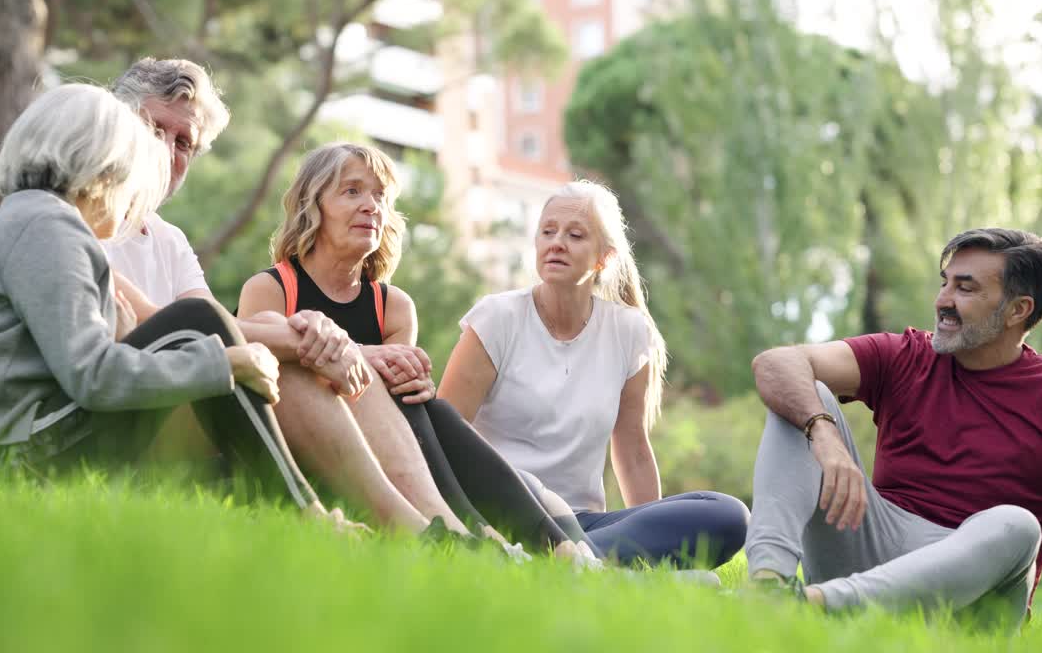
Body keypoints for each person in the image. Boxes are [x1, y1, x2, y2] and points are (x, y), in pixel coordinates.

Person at [105, 58, 526, 549]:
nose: (167, 152)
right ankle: (417, 531)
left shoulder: (169, 240)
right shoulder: (80, 222)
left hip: (187, 407)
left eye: (184, 143)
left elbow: (216, 327)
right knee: (307, 354)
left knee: (336, 366)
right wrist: (310, 339)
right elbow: (181, 326)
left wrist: (327, 347)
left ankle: (447, 534)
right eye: (156, 130)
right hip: (123, 421)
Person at [0, 84, 339, 525]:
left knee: (195, 330)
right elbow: (94, 377)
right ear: (103, 172)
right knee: (195, 323)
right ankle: (306, 511)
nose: (136, 203)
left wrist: (122, 330)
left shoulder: (32, 219)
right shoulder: (49, 228)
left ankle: (285, 504)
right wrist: (225, 364)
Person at [745, 228, 1042, 641]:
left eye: (965, 289)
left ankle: (817, 605)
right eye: (945, 283)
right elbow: (776, 364)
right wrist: (821, 432)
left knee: (1017, 524)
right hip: (875, 548)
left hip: (974, 604)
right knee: (807, 395)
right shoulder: (907, 356)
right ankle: (770, 588)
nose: (942, 300)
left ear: (1017, 310)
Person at [237, 142, 600, 562]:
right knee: (423, 404)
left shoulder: (393, 306)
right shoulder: (272, 288)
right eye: (352, 191)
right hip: (310, 456)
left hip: (389, 459)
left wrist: (408, 378)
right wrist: (364, 356)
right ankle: (491, 540)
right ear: (312, 205)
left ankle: (547, 549)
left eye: (380, 196)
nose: (371, 206)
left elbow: (393, 413)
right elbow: (259, 384)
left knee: (424, 404)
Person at [438, 180, 750, 568]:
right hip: (505, 513)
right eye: (547, 232)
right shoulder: (496, 319)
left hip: (582, 522)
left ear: (603, 258)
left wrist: (649, 530)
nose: (557, 243)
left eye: (575, 235)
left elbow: (633, 450)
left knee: (726, 514)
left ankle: (571, 562)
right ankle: (584, 563)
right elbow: (442, 436)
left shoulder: (629, 331)